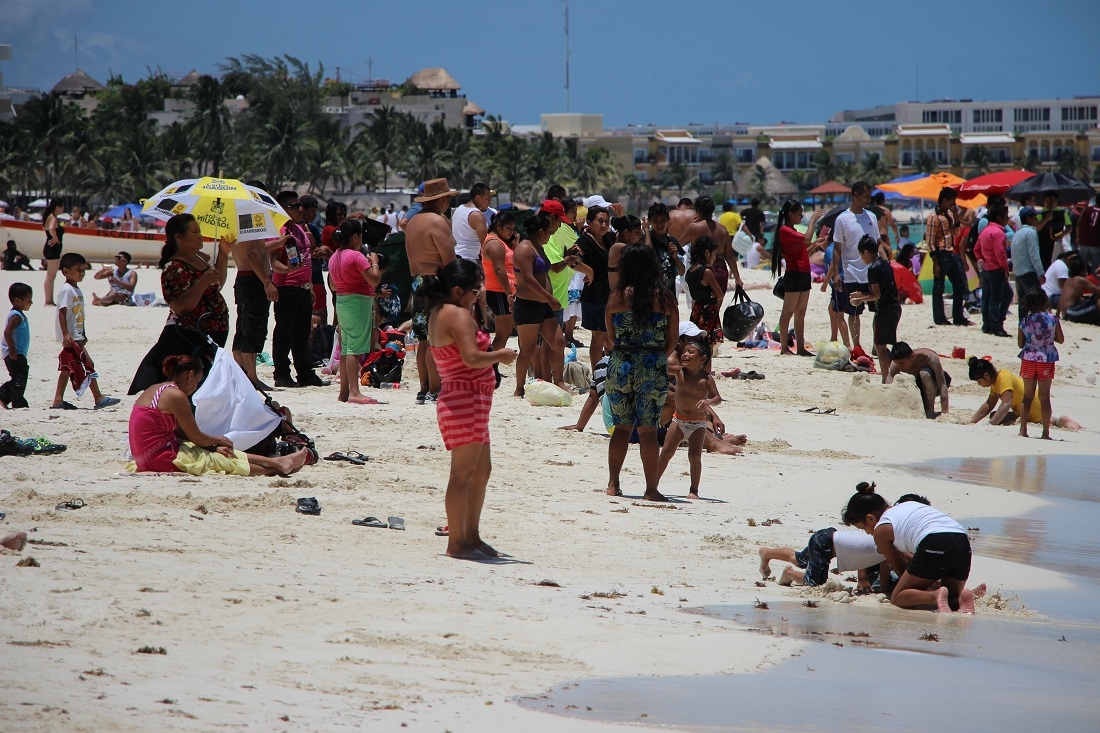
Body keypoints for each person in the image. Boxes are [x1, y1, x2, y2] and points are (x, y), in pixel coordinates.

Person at [416, 259, 517, 561]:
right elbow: (472, 358)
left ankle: (470, 535)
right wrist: (501, 354)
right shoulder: (456, 315)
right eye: (475, 290)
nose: (480, 294)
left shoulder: (444, 311)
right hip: (464, 400)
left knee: (481, 470)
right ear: (458, 289)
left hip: (469, 399)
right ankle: (457, 541)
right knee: (462, 474)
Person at [129, 355, 310, 476]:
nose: (195, 388)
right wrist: (218, 440)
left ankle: (278, 462)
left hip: (144, 455)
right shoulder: (176, 395)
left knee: (215, 452)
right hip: (158, 457)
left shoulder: (156, 389)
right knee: (218, 460)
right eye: (198, 382)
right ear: (190, 375)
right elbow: (196, 436)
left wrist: (213, 445)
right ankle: (275, 469)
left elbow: (180, 433)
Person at [604, 244, 679, 501]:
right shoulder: (665, 298)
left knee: (621, 428)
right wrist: (653, 354)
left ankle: (613, 485)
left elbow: (611, 336)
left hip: (621, 362)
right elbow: (672, 340)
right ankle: (651, 489)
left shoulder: (616, 297)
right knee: (648, 430)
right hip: (651, 364)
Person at [129, 214, 231, 395]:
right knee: (188, 386)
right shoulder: (174, 268)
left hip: (212, 332)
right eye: (194, 232)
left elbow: (217, 285)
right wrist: (202, 282)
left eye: (199, 231)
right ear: (179, 237)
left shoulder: (199, 259)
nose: (200, 235)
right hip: (189, 336)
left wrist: (223, 254)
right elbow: (180, 306)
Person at [843, 482, 977, 613]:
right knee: (951, 597)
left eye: (862, 527)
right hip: (962, 542)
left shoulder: (881, 530)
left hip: (933, 540)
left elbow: (902, 570)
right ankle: (960, 596)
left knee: (898, 597)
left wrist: (926, 589)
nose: (867, 533)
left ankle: (935, 596)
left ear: (870, 518)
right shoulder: (909, 505)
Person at [405, 178, 459, 404]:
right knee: (436, 339)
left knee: (423, 339)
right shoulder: (439, 221)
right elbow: (449, 262)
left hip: (418, 281)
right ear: (443, 199)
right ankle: (436, 390)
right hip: (435, 282)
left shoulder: (412, 223)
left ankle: (424, 389)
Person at [512, 212, 576, 395]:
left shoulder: (539, 248)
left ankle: (560, 382)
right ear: (540, 232)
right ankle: (519, 388)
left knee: (559, 341)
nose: (551, 234)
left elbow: (548, 271)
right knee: (527, 348)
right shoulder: (524, 249)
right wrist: (549, 297)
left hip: (544, 306)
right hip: (528, 305)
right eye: (549, 231)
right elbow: (528, 279)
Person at [51, 252, 120, 410]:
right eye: (78, 269)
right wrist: (66, 334)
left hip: (77, 336)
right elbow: (61, 313)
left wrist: (83, 333)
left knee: (69, 368)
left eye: (83, 270)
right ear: (66, 271)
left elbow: (78, 315)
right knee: (83, 364)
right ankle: (98, 398)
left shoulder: (77, 290)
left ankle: (59, 400)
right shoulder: (66, 290)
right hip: (71, 338)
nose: (81, 273)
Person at [656, 338, 721, 499]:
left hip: (698, 424)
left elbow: (718, 398)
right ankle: (653, 484)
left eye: (690, 352)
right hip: (678, 420)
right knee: (666, 452)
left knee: (694, 457)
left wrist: (709, 401)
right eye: (684, 351)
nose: (685, 354)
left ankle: (694, 489)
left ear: (702, 359)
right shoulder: (679, 372)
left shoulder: (706, 379)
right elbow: (660, 366)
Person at [270, 191, 324, 388]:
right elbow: (274, 262)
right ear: (283, 209)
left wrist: (308, 286)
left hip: (303, 287)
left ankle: (305, 373)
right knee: (284, 332)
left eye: (300, 205)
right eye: (294, 206)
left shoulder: (299, 229)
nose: (300, 209)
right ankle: (282, 373)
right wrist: (289, 270)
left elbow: (306, 259)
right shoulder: (281, 230)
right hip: (287, 288)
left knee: (302, 333)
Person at [328, 219, 381, 405]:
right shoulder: (356, 256)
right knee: (354, 349)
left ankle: (344, 392)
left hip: (342, 300)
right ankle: (354, 392)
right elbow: (374, 279)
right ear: (356, 236)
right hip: (358, 302)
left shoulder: (335, 256)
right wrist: (374, 263)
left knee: (346, 347)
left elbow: (333, 284)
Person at [826, 182, 879, 351]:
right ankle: (855, 346)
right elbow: (837, 248)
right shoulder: (842, 219)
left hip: (872, 274)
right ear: (855, 195)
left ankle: (876, 344)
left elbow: (877, 244)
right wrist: (836, 273)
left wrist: (884, 267)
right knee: (854, 312)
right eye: (865, 197)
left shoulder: (871, 217)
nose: (868, 200)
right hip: (851, 273)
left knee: (879, 310)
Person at [967, 355, 1080, 431]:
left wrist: (991, 425)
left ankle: (1055, 421)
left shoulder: (1004, 378)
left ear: (986, 375)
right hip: (1023, 409)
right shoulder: (996, 381)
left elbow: (1007, 403)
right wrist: (973, 420)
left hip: (1033, 408)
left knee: (996, 417)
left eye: (979, 381)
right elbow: (989, 404)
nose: (979, 384)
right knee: (994, 415)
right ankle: (1054, 420)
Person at [771, 199, 825, 356]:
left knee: (801, 312)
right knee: (788, 311)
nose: (802, 217)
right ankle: (784, 348)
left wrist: (815, 244)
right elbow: (806, 238)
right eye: (800, 214)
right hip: (793, 274)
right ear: (790, 215)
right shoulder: (785, 231)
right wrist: (813, 220)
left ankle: (800, 348)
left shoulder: (793, 231)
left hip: (803, 273)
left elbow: (804, 254)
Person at [757, 527, 886, 589]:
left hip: (826, 536)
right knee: (816, 582)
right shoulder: (888, 544)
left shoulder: (882, 534)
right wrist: (863, 579)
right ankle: (789, 573)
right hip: (824, 543)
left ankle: (767, 553)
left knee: (800, 559)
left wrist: (862, 579)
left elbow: (865, 552)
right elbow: (868, 554)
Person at [851, 235, 901, 380]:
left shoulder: (873, 268)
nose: (861, 258)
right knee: (884, 345)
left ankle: (887, 379)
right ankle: (892, 376)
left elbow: (877, 295)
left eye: (861, 255)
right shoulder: (885, 263)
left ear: (866, 252)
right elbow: (880, 290)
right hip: (894, 307)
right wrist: (861, 294)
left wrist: (859, 300)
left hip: (885, 309)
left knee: (880, 347)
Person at [679, 196, 742, 296]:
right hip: (720, 271)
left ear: (698, 210)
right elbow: (729, 256)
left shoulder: (693, 228)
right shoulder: (722, 229)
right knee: (715, 309)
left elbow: (677, 244)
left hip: (700, 272)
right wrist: (737, 278)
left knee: (699, 307)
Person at [926, 188, 971, 327]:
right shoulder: (934, 217)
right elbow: (930, 241)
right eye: (952, 201)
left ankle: (958, 317)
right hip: (940, 253)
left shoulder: (950, 215)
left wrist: (956, 217)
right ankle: (939, 318)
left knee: (959, 285)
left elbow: (956, 233)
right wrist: (935, 262)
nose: (954, 204)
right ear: (945, 200)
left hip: (951, 252)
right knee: (938, 287)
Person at [578, 206, 613, 367]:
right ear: (589, 222)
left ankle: (608, 372)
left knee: (609, 337)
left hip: (609, 295)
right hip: (594, 296)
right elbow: (570, 258)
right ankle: (597, 377)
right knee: (598, 336)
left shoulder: (608, 239)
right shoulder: (585, 241)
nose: (604, 225)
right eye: (600, 221)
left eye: (606, 221)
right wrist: (589, 271)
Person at [482, 210, 518, 352]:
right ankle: (490, 366)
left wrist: (515, 244)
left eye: (513, 228)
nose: (511, 231)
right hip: (500, 293)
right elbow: (499, 270)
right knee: (503, 334)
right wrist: (509, 295)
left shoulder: (500, 242)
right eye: (508, 228)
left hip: (504, 292)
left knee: (512, 331)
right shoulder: (494, 244)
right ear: (498, 226)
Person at [974, 203, 1011, 337]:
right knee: (1001, 297)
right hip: (996, 268)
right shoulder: (998, 232)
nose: (1008, 219)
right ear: (999, 217)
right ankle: (997, 325)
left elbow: (976, 249)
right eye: (1006, 216)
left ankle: (987, 324)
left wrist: (982, 260)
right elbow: (1000, 253)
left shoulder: (985, 230)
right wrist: (1005, 269)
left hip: (986, 269)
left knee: (987, 297)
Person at [887, 342, 949, 419]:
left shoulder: (929, 358)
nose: (899, 366)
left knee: (924, 373)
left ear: (912, 357)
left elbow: (942, 384)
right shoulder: (895, 364)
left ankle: (930, 411)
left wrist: (944, 412)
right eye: (896, 363)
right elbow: (888, 386)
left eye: (902, 363)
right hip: (919, 386)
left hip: (935, 382)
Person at [685, 236, 724, 345]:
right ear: (707, 253)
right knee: (708, 345)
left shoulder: (690, 271)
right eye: (714, 254)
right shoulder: (706, 272)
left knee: (696, 343)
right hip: (708, 311)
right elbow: (720, 295)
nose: (715, 258)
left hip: (696, 310)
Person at [1, 282, 32, 409]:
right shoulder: (16, 316)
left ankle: (3, 395)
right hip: (15, 354)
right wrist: (12, 351)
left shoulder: (18, 314)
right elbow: (7, 332)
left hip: (18, 353)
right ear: (18, 300)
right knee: (20, 377)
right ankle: (18, 402)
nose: (31, 303)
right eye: (28, 300)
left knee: (18, 376)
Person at [646, 203, 685, 299]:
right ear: (649, 221)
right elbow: (647, 253)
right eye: (655, 221)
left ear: (668, 220)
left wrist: (675, 257)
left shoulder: (672, 241)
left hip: (669, 294)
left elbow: (681, 271)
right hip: (650, 295)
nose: (660, 224)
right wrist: (646, 231)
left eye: (663, 221)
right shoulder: (645, 240)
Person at [1011, 206, 1045, 307]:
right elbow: (1034, 255)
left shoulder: (1017, 234)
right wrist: (1041, 273)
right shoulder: (1031, 232)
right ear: (1029, 219)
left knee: (1023, 304)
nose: (1037, 219)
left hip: (1018, 273)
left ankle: (1023, 323)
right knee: (1036, 302)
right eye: (1035, 217)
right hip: (1028, 273)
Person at [452, 183, 493, 262]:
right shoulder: (477, 215)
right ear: (478, 198)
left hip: (456, 257)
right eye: (487, 199)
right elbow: (485, 245)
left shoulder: (459, 209)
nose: (489, 202)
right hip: (470, 259)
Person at [607, 215, 643, 292]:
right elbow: (647, 255)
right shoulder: (618, 247)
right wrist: (647, 230)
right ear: (626, 233)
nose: (640, 236)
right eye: (637, 233)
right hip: (621, 298)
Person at [1059, 257, 1100, 324]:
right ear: (1082, 271)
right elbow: (1097, 290)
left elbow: (1061, 299)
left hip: (1066, 312)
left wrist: (1058, 314)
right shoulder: (1080, 280)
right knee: (1098, 303)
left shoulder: (1068, 280)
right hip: (1070, 312)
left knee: (1092, 300)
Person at [1036, 192, 1071, 270]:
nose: (1049, 204)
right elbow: (1037, 228)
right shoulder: (1040, 213)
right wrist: (1046, 219)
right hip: (1043, 244)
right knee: (1045, 264)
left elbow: (1069, 227)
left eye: (1052, 201)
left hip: (1057, 242)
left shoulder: (1062, 213)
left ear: (1057, 200)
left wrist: (1063, 234)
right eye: (1047, 202)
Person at [42, 198, 65, 306]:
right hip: (52, 249)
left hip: (50, 248)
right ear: (57, 207)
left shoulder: (48, 216)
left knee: (50, 276)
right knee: (51, 276)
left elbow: (44, 228)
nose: (63, 208)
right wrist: (55, 237)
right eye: (62, 206)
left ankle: (49, 300)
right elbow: (51, 228)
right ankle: (48, 301)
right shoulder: (53, 218)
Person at [1075, 193, 1100, 273]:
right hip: (1096, 244)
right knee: (1095, 269)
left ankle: (1081, 282)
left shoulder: (1086, 209)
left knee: (1082, 266)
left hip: (1083, 241)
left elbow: (1079, 223)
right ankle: (1094, 284)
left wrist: (1077, 236)